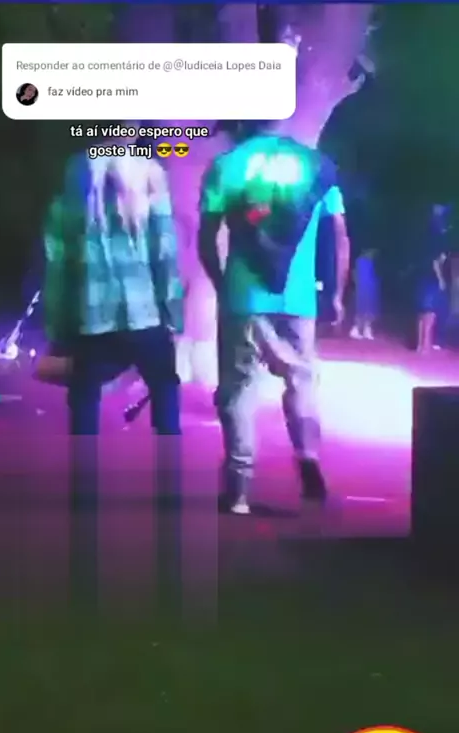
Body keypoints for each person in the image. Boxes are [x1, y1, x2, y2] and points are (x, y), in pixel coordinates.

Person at [198, 120, 350, 514]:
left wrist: (222, 284)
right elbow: (339, 235)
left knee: (239, 391)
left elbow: (206, 238)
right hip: (298, 299)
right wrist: (335, 293)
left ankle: (239, 490)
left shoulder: (227, 164)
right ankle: (308, 454)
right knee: (301, 381)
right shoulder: (316, 165)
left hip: (244, 296)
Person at [43, 141, 183, 437]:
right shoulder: (149, 171)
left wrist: (57, 326)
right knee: (164, 388)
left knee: (84, 396)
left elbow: (57, 259)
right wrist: (174, 314)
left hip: (92, 315)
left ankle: (82, 466)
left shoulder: (74, 172)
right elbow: (164, 253)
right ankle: (169, 463)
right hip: (145, 312)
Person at [416, 239, 448, 355]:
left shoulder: (424, 248)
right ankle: (425, 345)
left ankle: (420, 345)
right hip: (430, 285)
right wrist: (441, 279)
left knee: (422, 315)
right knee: (429, 316)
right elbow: (436, 263)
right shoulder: (438, 249)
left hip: (422, 282)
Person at [349, 248, 379, 340]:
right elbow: (354, 274)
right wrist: (356, 284)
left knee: (369, 308)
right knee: (360, 308)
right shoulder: (359, 261)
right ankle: (355, 329)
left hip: (370, 287)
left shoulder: (372, 263)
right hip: (361, 287)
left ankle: (367, 329)